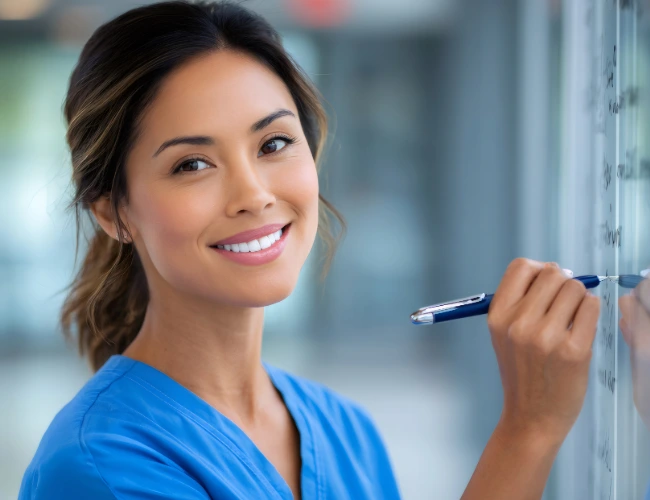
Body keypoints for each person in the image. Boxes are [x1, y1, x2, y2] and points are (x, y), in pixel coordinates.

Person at [18, 2, 601, 498]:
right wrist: (529, 428)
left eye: (273, 143)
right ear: (113, 211)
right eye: (192, 164)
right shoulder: (100, 469)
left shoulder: (346, 430)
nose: (254, 194)